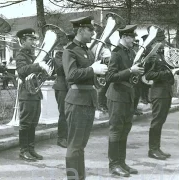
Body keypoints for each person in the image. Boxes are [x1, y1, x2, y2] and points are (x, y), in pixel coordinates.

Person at [63, 16, 108, 180]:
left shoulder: (87, 50)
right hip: (77, 101)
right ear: (80, 30)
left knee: (80, 145)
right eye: (90, 30)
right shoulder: (70, 50)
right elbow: (71, 75)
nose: (93, 33)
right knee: (75, 145)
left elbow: (90, 76)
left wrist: (101, 70)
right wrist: (92, 69)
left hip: (87, 100)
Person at [105, 24, 143, 177]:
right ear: (125, 37)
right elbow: (110, 77)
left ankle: (121, 162)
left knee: (125, 130)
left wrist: (138, 70)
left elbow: (131, 74)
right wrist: (130, 71)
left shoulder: (130, 52)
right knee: (116, 131)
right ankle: (113, 165)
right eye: (132, 37)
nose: (134, 39)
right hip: (117, 96)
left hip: (127, 95)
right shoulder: (116, 53)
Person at [16, 28, 49, 162]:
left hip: (35, 93)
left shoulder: (32, 56)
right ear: (23, 41)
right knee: (26, 123)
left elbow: (37, 73)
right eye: (30, 39)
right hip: (26, 93)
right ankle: (23, 151)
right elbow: (22, 71)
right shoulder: (21, 55)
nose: (33, 42)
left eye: (34, 39)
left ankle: (31, 148)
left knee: (33, 123)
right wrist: (38, 65)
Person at [144, 29, 174, 160]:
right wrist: (166, 74)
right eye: (160, 40)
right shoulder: (152, 55)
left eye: (162, 39)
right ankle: (153, 149)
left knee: (161, 121)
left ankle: (157, 148)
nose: (162, 42)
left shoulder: (163, 54)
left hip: (166, 92)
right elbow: (148, 75)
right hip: (158, 92)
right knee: (156, 122)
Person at [52, 33, 74, 148]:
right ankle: (61, 138)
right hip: (61, 87)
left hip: (70, 87)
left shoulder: (74, 54)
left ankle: (69, 136)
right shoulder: (59, 54)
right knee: (63, 112)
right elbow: (61, 69)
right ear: (68, 42)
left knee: (71, 112)